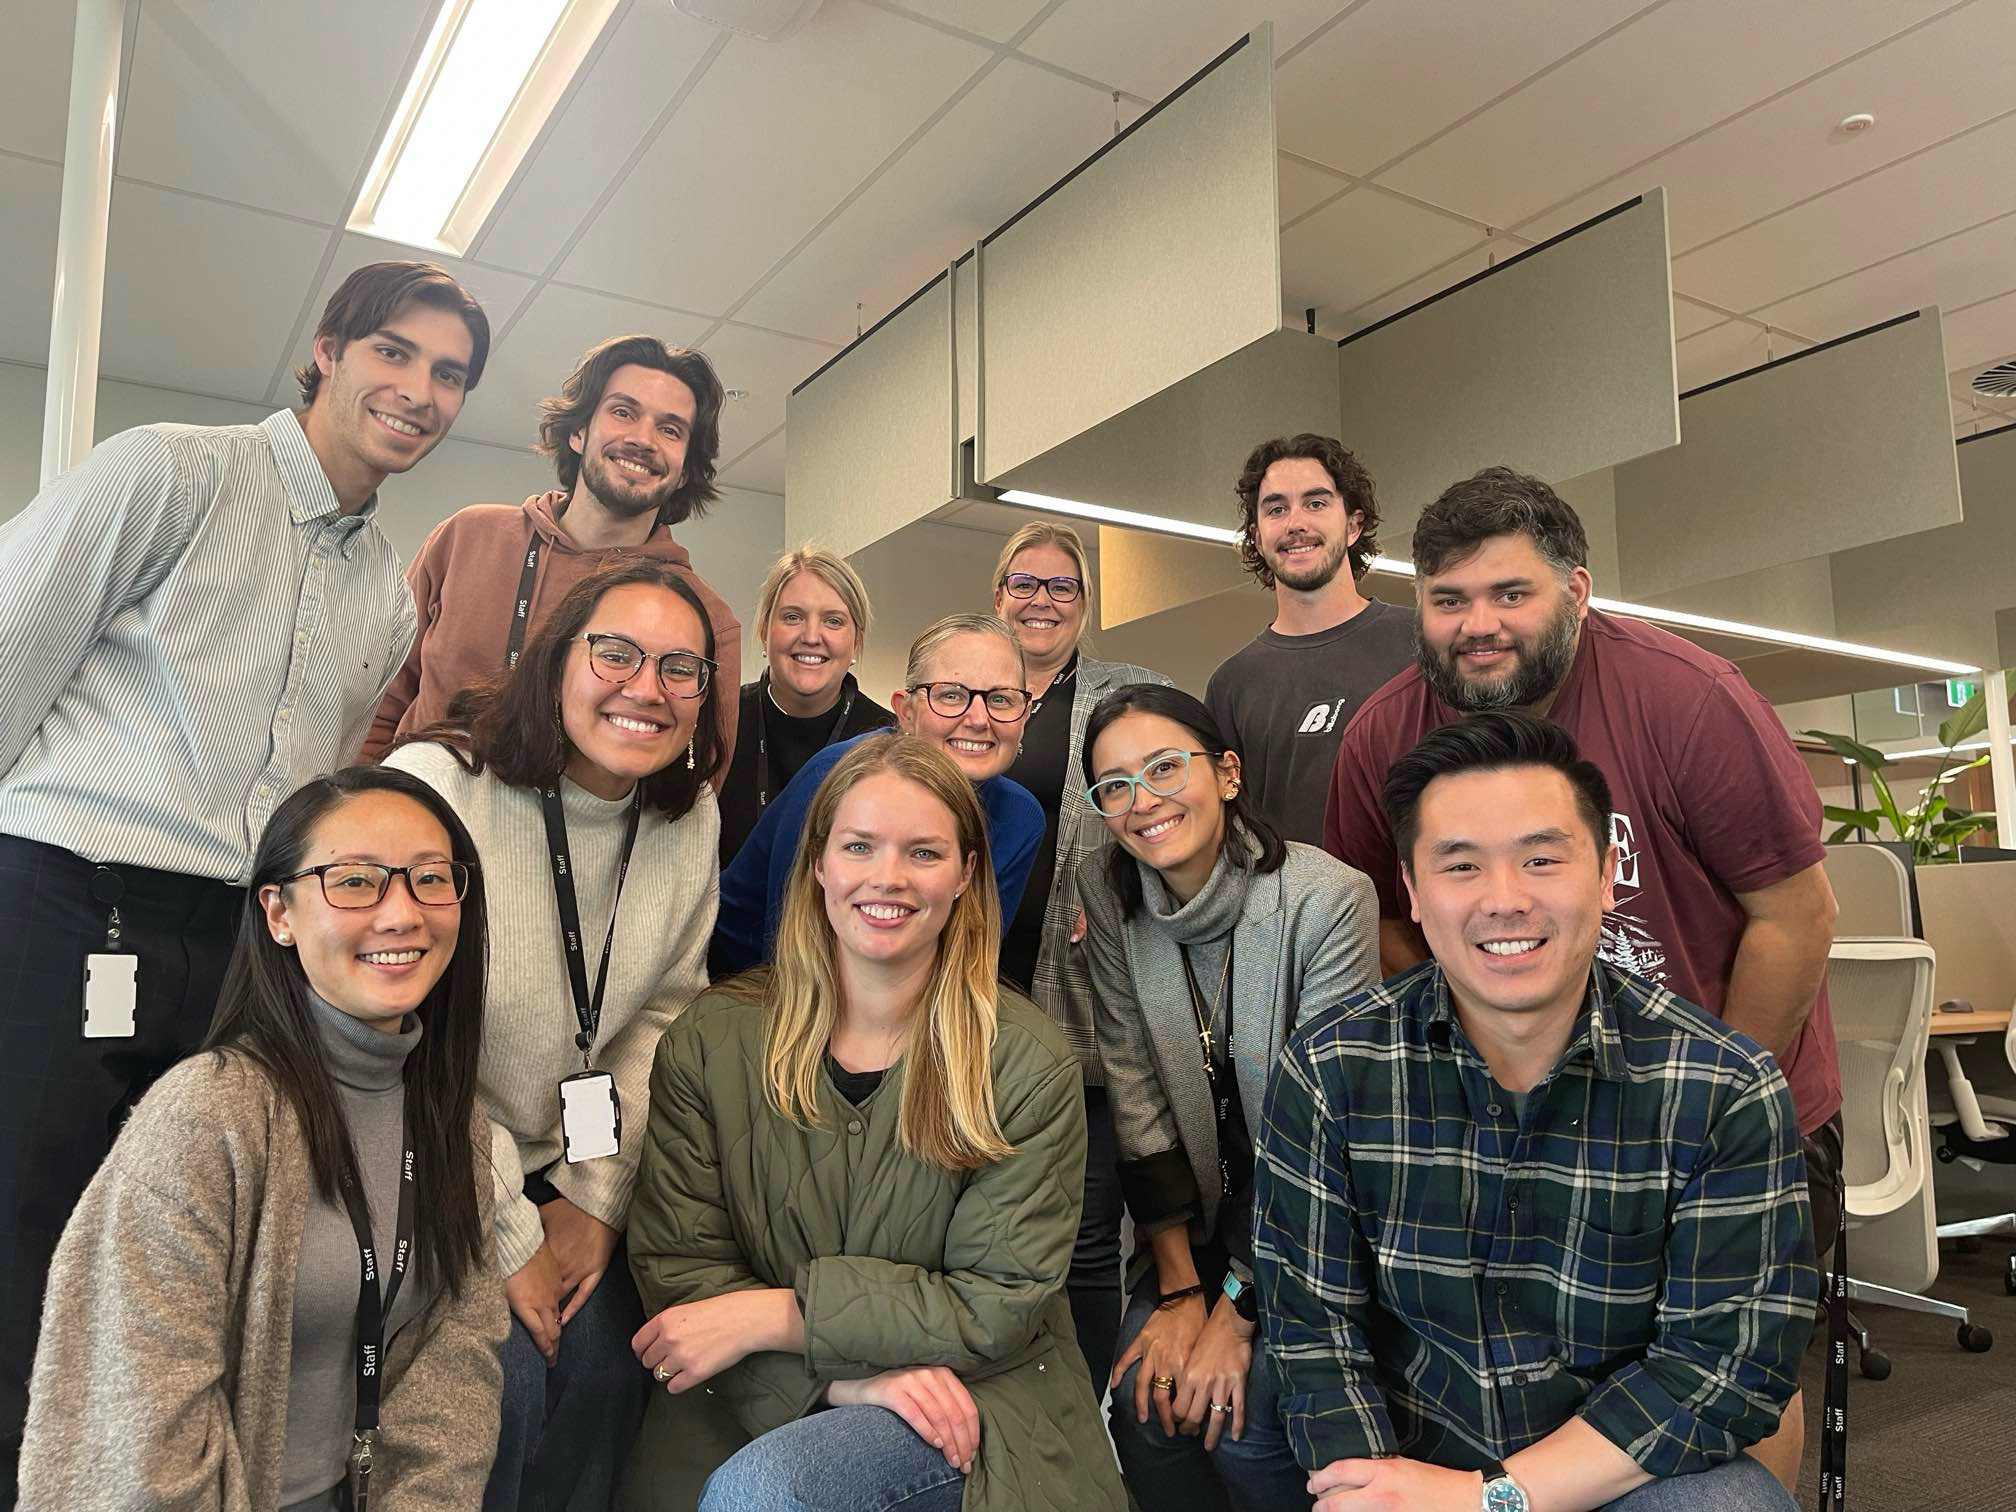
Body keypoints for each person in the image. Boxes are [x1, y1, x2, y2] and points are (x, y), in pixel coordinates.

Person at [0, 259, 488, 1496]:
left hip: (236, 941)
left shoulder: (387, 594)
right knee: (29, 1249)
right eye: (394, 353)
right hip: (71, 902)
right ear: (326, 350)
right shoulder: (166, 473)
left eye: (449, 375)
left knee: (207, 1267)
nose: (419, 391)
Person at [1320, 465, 1840, 1486]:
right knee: (1545, 1364)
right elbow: (1380, 911)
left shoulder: (1688, 702)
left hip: (1719, 1094)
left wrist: (1707, 1105)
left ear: (1577, 592)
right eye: (1449, 599)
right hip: (1515, 1110)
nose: (1479, 625)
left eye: (1510, 593)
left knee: (1733, 1376)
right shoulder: (1384, 730)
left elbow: (1795, 915)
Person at [1258, 712, 1817, 1512]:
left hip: (1614, 1468)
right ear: (1411, 891)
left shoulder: (1722, 1085)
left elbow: (1720, 1367)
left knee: (1728, 1506)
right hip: (1413, 1456)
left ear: (1608, 873)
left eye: (1542, 859)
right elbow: (1315, 1331)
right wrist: (1374, 1491)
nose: (1505, 900)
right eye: (1461, 866)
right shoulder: (1331, 1067)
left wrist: (1490, 1500)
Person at [620, 734, 1127, 1512]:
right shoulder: (709, 1040)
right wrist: (842, 1380)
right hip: (741, 1389)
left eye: (923, 853)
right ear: (819, 863)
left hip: (970, 1398)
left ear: (965, 874)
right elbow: (682, 1271)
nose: (887, 877)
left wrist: (779, 1313)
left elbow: (994, 1302)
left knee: (766, 1494)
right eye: (859, 846)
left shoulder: (1025, 1059)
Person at [20, 766, 507, 1510]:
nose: (402, 913)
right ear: (279, 913)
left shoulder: (450, 1118)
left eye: (430, 880)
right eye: (355, 882)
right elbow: (136, 1442)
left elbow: (454, 1366)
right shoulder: (206, 1115)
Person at [383, 558, 720, 1511]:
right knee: (504, 1386)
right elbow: (389, 1037)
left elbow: (664, 1014)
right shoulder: (437, 789)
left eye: (681, 669)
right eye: (615, 654)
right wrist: (506, 1222)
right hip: (427, 1158)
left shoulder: (687, 815)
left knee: (613, 1374)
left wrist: (597, 1195)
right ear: (555, 658)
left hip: (573, 1165)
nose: (647, 689)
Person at [1078, 685, 1377, 1512]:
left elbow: (1320, 1140)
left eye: (1164, 768)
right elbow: (1135, 1093)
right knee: (1144, 1404)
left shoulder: (1325, 900)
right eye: (1115, 786)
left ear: (1228, 774)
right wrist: (1180, 1291)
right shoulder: (1109, 891)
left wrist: (1234, 1311)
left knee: (1239, 1424)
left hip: (1314, 1233)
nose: (1144, 802)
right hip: (1197, 1233)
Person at [363, 333, 741, 769]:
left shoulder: (706, 618)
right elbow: (376, 700)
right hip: (416, 805)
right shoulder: (466, 537)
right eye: (623, 412)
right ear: (578, 431)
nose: (644, 439)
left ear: (686, 469)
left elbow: (698, 776)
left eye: (670, 430)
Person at [988, 520, 1172, 1392]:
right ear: (998, 596)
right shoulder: (971, 695)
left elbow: (1166, 819)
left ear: (1085, 603)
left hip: (1084, 997)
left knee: (1088, 1228)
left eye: (1061, 586)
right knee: (984, 1212)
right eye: (1024, 583)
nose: (1042, 601)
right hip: (973, 990)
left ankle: (1082, 1408)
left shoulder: (1125, 693)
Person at [710, 612, 1043, 977]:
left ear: (1025, 714)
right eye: (951, 695)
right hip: (752, 977)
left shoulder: (1021, 819)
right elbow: (788, 946)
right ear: (906, 712)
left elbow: (966, 958)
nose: (979, 720)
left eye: (1001, 700)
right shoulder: (837, 778)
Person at [1205, 434, 1413, 845]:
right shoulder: (1231, 685)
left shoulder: (1422, 643)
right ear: (1257, 537)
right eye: (1276, 508)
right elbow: (1227, 832)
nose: (1295, 523)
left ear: (1353, 525)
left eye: (1315, 503)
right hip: (1287, 889)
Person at [717, 545, 893, 863]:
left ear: (856, 640)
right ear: (764, 631)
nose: (812, 636)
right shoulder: (719, 721)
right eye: (793, 617)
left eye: (833, 621)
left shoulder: (890, 740)